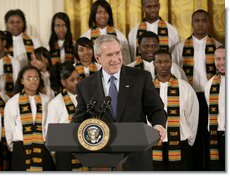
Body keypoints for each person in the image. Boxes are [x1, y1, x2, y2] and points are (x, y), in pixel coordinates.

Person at [72, 34, 166, 171]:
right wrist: (71, 133)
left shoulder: (140, 77)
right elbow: (80, 119)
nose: (115, 59)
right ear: (98, 58)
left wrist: (158, 124)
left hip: (136, 157)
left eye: (118, 53)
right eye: (109, 55)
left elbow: (156, 108)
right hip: (102, 158)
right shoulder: (85, 86)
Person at [172, 9, 222, 170]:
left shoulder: (217, 46)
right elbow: (176, 72)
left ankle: (210, 167)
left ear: (209, 23)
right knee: (193, 132)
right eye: (197, 21)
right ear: (192, 23)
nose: (200, 24)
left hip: (213, 96)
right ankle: (194, 167)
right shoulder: (180, 47)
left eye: (204, 20)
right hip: (190, 97)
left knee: (210, 133)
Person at [152, 50, 199, 171]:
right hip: (153, 142)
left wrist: (190, 138)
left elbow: (192, 116)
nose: (163, 65)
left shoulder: (185, 87)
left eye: (166, 61)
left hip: (180, 141)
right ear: (154, 64)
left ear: (171, 63)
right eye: (159, 62)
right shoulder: (148, 87)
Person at [4, 66, 54, 171]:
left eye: (36, 78)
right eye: (29, 78)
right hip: (21, 147)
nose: (34, 81)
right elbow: (9, 127)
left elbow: (49, 125)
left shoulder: (46, 100)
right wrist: (14, 147)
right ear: (22, 81)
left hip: (42, 146)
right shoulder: (13, 102)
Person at [46, 62, 87, 171]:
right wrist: (55, 154)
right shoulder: (55, 103)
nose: (77, 82)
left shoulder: (87, 98)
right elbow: (50, 132)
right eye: (72, 80)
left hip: (86, 147)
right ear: (63, 82)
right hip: (64, 151)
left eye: (78, 78)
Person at [81, 0, 131, 65]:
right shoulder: (86, 36)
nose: (103, 15)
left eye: (106, 12)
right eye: (99, 12)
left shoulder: (120, 36)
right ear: (93, 14)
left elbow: (127, 60)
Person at [204, 46, 225, 171]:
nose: (221, 62)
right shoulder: (210, 84)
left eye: (225, 58)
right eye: (218, 58)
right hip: (217, 135)